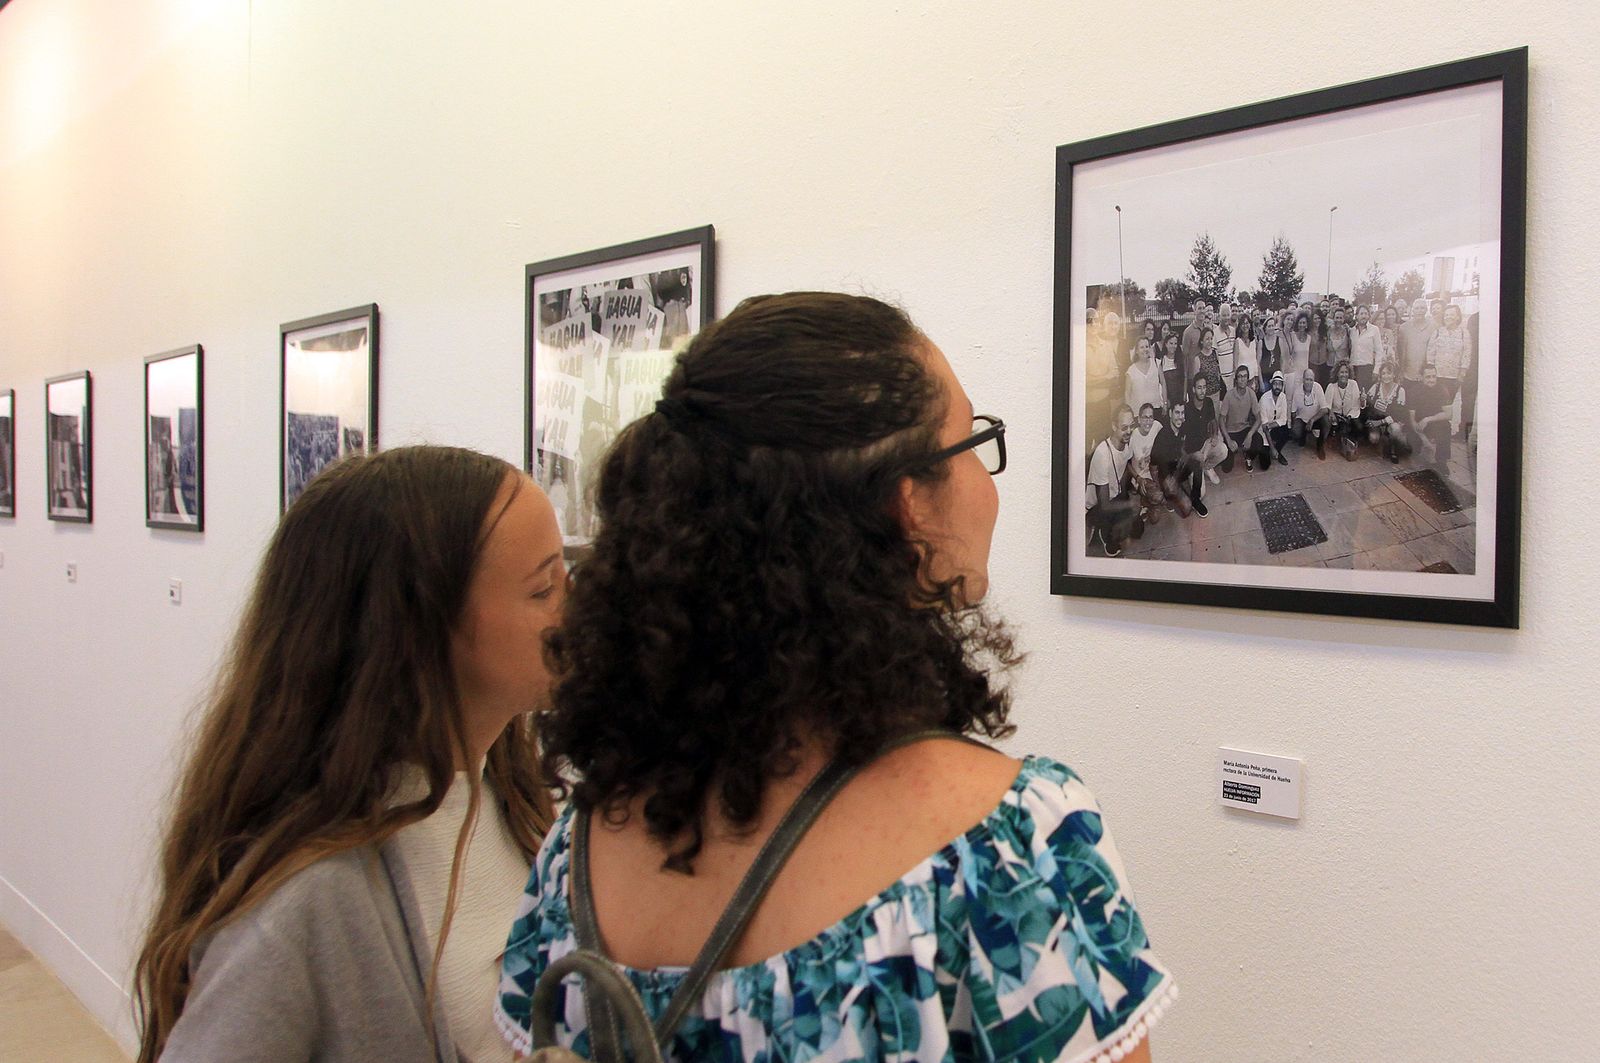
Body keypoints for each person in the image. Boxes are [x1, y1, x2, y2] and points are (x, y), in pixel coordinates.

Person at [495, 292, 1174, 1062]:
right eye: (972, 443)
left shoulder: (578, 844)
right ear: (908, 502)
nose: (988, 482)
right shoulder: (1003, 851)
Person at [134, 447, 564, 1063]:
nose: (578, 608)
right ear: (420, 630)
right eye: (544, 588)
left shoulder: (513, 794)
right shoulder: (307, 901)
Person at [1086, 403, 1143, 555]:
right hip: (1097, 507)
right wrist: (1130, 504)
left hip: (1115, 496)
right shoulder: (1102, 455)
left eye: (1131, 426)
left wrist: (1138, 478)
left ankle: (1114, 526)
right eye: (1124, 427)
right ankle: (1102, 532)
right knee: (1121, 533)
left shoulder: (1126, 441)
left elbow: (1126, 462)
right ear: (1113, 426)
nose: (1129, 431)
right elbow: (1104, 504)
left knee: (1138, 530)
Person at [1181, 372, 1228, 510]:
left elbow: (1213, 422)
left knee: (1223, 450)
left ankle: (1207, 467)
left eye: (1204, 387)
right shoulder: (1187, 409)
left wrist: (1214, 436)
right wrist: (1192, 456)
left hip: (1206, 446)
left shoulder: (1208, 402)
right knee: (1200, 495)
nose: (1202, 390)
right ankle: (1197, 470)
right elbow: (1181, 442)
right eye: (1199, 387)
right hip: (1193, 454)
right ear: (1194, 389)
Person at [1426, 303, 1471, 416]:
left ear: (1458, 317)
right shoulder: (1437, 332)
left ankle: (1445, 426)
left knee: (1447, 403)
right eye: (1446, 315)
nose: (1448, 317)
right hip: (1438, 376)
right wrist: (1430, 372)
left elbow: (1467, 353)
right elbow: (1430, 352)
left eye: (1451, 314)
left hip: (1453, 377)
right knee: (1434, 402)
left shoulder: (1463, 333)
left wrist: (1462, 373)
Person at [1410, 363, 1453, 469]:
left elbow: (1449, 414)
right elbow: (1412, 420)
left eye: (1434, 376)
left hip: (1433, 422)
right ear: (1421, 377)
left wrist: (1428, 419)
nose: (1432, 380)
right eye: (1428, 377)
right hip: (1418, 425)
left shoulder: (1442, 389)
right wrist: (1425, 441)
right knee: (1412, 450)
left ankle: (1442, 461)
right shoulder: (1413, 391)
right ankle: (1417, 452)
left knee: (1446, 426)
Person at [1366, 361, 1411, 463]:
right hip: (1377, 420)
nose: (1386, 376)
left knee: (1395, 429)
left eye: (1389, 373)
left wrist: (1381, 422)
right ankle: (1382, 441)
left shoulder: (1400, 390)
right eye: (1383, 373)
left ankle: (1393, 450)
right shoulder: (1376, 387)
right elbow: (1368, 405)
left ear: (1394, 374)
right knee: (1373, 438)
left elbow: (1399, 413)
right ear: (1380, 375)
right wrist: (1363, 400)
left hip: (1392, 421)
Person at [1219, 365, 1259, 473]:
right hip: (1231, 432)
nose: (1242, 379)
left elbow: (1258, 419)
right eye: (1240, 377)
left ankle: (1248, 456)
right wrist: (1228, 439)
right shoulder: (1229, 395)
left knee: (1258, 441)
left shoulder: (1251, 394)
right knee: (1226, 469)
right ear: (1236, 379)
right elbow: (1221, 419)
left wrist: (1250, 435)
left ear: (1248, 379)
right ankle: (1234, 449)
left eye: (1245, 376)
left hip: (1244, 429)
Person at [1251, 371, 1292, 469]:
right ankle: (1270, 449)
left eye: (1279, 384)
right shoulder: (1264, 399)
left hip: (1273, 427)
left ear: (1282, 386)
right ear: (1272, 384)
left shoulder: (1283, 397)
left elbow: (1283, 420)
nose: (1277, 387)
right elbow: (1264, 427)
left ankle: (1278, 452)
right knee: (1265, 466)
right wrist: (1272, 448)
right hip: (1263, 432)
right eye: (1275, 383)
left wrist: (1271, 425)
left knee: (1286, 430)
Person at [1325, 360, 1365, 459]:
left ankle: (1351, 446)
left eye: (1346, 372)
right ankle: (1340, 443)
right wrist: (1331, 413)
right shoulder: (1331, 387)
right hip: (1336, 417)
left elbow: (1356, 406)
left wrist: (1349, 417)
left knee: (1359, 427)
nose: (1344, 375)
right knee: (1340, 429)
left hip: (1349, 416)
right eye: (1341, 372)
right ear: (1337, 374)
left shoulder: (1353, 384)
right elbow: (1326, 406)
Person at [1123, 336, 1168, 421]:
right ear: (1136, 351)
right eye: (1142, 347)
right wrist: (1129, 414)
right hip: (1138, 413)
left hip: (1156, 410)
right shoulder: (1131, 371)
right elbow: (1127, 394)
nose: (1145, 349)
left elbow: (1163, 383)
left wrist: (1165, 404)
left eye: (1147, 346)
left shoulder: (1156, 363)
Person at [1291, 369, 1332, 459]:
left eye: (1311, 380)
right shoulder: (1297, 392)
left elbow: (1324, 409)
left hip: (1316, 419)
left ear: (1314, 380)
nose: (1309, 382)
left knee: (1327, 421)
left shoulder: (1318, 387)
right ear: (1303, 379)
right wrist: (1296, 427)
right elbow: (1293, 412)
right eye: (1307, 379)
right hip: (1302, 419)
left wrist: (1312, 420)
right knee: (1295, 432)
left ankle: (1320, 445)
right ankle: (1303, 435)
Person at [1398, 296, 1436, 384]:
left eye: (1422, 308)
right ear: (1412, 310)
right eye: (1417, 308)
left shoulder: (1433, 327)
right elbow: (1401, 351)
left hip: (1425, 374)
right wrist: (1401, 371)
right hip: (1407, 373)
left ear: (1426, 310)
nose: (1419, 311)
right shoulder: (1404, 327)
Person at [1347, 304, 1385, 392]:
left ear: (1369, 315)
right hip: (1353, 369)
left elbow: (1379, 351)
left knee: (1365, 396)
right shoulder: (1351, 331)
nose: (1364, 316)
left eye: (1366, 313)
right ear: (1356, 316)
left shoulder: (1374, 330)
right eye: (1361, 314)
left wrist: (1376, 370)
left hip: (1367, 369)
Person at [1322, 307, 1352, 388]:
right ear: (1333, 318)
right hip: (1329, 366)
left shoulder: (1348, 331)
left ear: (1344, 319)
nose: (1338, 320)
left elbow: (1350, 348)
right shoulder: (1328, 331)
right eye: (1337, 317)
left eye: (1341, 318)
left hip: (1343, 368)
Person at [1284, 310, 1313, 390]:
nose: (1302, 325)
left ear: (1307, 324)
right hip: (1293, 373)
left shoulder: (1309, 338)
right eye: (1300, 322)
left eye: (1304, 323)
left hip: (1305, 374)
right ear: (1297, 324)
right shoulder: (1292, 335)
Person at [1233, 314, 1261, 392]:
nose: (1245, 325)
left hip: (1253, 379)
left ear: (1250, 324)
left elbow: (1256, 362)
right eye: (1243, 323)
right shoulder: (1237, 341)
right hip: (1242, 380)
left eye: (1247, 323)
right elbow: (1235, 364)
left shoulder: (1254, 341)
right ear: (1240, 326)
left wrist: (1256, 378)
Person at [1258, 312, 1285, 392]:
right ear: (1265, 328)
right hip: (1265, 377)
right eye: (1269, 326)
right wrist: (1261, 382)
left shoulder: (1279, 340)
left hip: (1277, 377)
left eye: (1273, 325)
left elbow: (1282, 361)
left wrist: (1282, 377)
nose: (1271, 328)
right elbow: (1258, 364)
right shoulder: (1261, 342)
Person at [1160, 332, 1186, 410]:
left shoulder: (1181, 359)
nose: (1173, 346)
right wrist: (1165, 400)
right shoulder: (1161, 360)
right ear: (1166, 344)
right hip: (1168, 399)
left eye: (1175, 343)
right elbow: (1161, 383)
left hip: (1180, 397)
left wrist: (1184, 396)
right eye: (1171, 343)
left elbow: (1185, 379)